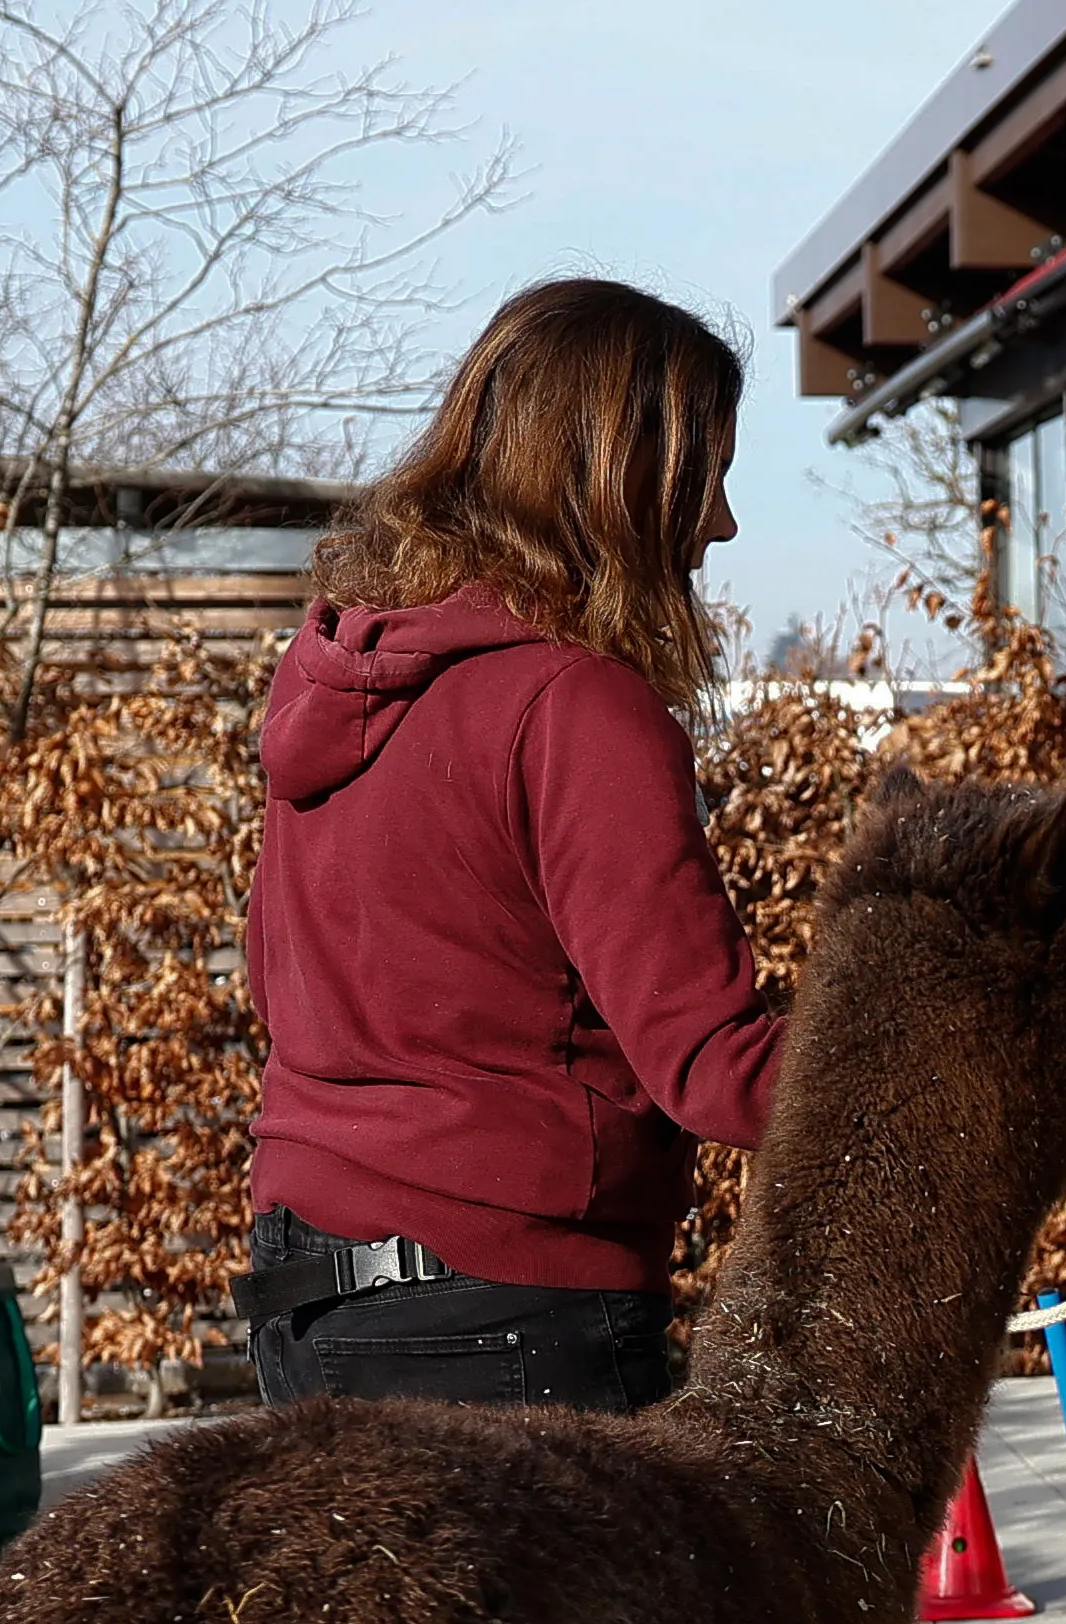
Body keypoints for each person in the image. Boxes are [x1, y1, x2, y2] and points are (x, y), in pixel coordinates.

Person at [239, 280, 780, 1412]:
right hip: (509, 1319)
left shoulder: (334, 680)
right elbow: (717, 1068)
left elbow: (279, 986)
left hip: (308, 1298)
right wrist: (982, 1093)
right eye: (705, 476)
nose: (722, 523)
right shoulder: (576, 706)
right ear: (611, 474)